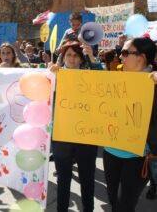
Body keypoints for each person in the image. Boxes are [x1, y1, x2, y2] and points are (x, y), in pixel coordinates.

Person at [103, 37, 157, 212]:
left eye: (125, 53)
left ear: (141, 57)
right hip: (111, 150)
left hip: (139, 155)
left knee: (125, 206)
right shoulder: (116, 79)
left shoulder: (154, 83)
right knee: (113, 199)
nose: (120, 57)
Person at [49, 40, 103, 212]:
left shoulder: (90, 74)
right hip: (62, 135)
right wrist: (50, 75)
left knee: (87, 179)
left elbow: (105, 80)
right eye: (68, 55)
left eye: (75, 55)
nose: (71, 59)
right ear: (63, 58)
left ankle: (88, 209)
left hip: (86, 136)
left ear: (81, 59)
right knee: (63, 179)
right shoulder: (55, 75)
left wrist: (93, 58)